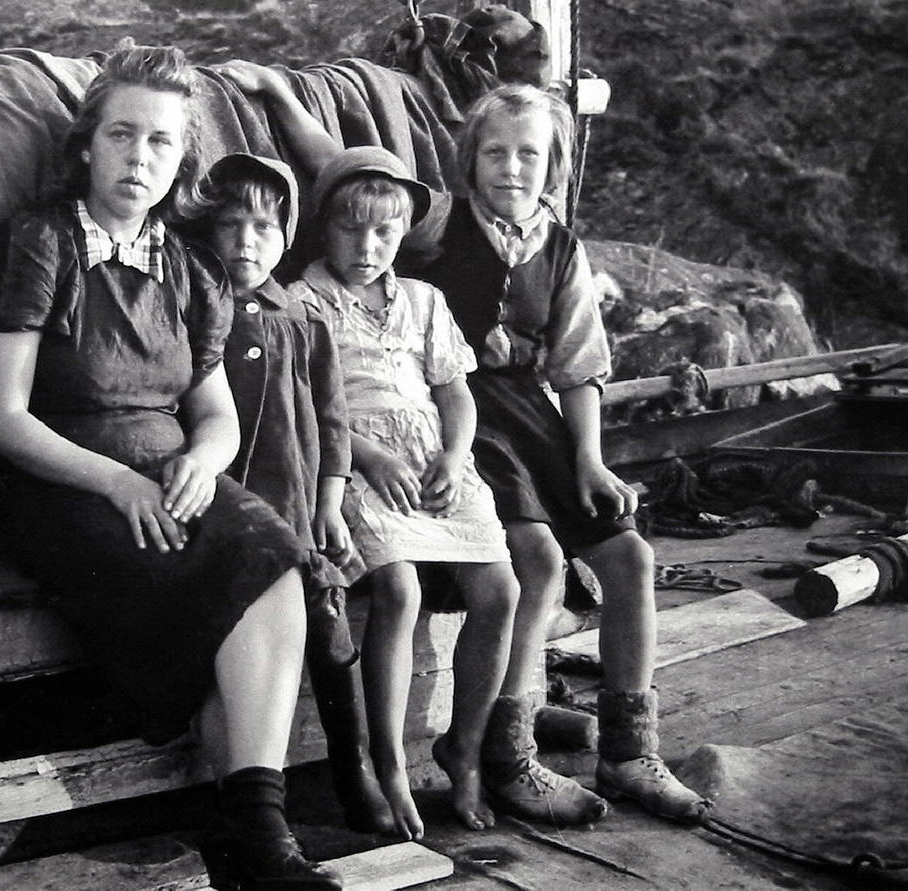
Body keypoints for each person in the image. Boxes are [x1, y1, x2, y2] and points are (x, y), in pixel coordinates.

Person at [220, 62, 710, 826]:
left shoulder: (562, 247)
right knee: (539, 560)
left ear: (555, 165)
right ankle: (506, 752)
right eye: (495, 153)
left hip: (527, 414)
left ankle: (629, 749)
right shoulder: (436, 222)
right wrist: (283, 100)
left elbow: (578, 367)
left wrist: (589, 457)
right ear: (468, 160)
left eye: (531, 155)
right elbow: (340, 176)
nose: (512, 168)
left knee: (631, 555)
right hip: (454, 414)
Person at [0, 44, 342, 889]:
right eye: (122, 135)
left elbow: (213, 412)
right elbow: (0, 414)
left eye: (162, 143)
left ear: (182, 159)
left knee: (278, 561)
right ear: (87, 145)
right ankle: (255, 842)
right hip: (65, 475)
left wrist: (206, 462)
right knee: (229, 589)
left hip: (170, 471)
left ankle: (255, 833)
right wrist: (115, 480)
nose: (139, 159)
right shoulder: (43, 241)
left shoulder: (189, 265)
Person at [288, 145, 522, 842]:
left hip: (432, 459)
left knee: (500, 590)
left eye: (384, 233)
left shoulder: (423, 300)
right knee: (399, 589)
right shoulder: (305, 300)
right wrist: (366, 453)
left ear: (402, 235)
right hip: (351, 457)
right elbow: (303, 401)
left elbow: (455, 391)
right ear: (324, 228)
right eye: (351, 230)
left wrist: (455, 454)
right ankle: (387, 761)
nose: (367, 247)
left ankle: (465, 749)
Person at [190, 152, 394, 834]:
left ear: (287, 237)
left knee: (330, 632)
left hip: (298, 507)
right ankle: (240, 796)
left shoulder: (303, 318)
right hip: (230, 508)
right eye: (231, 225)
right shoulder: (197, 307)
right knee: (231, 631)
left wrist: (331, 501)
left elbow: (334, 423)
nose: (247, 242)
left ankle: (354, 765)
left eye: (264, 228)